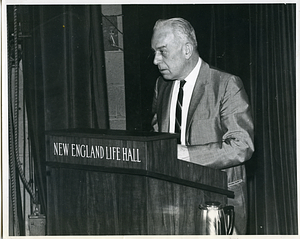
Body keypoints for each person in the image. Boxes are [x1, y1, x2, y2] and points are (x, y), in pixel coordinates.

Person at [151, 17, 254, 235]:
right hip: (170, 202)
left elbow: (242, 145)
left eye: (162, 51)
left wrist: (187, 154)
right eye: (154, 52)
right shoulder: (162, 86)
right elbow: (156, 135)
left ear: (187, 49)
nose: (155, 60)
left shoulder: (226, 85)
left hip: (217, 204)